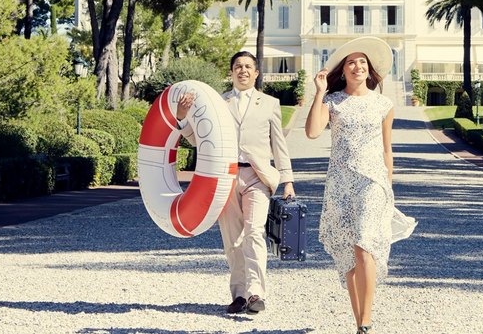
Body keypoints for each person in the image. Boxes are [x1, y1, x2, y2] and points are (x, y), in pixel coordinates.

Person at [305, 37, 416, 334]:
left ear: (369, 70)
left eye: (362, 62)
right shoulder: (333, 102)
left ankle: (366, 321)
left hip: (373, 184)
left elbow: (386, 150)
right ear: (344, 69)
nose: (357, 66)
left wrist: (389, 188)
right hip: (340, 184)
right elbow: (313, 132)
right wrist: (319, 93)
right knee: (349, 255)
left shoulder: (383, 104)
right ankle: (359, 324)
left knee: (364, 246)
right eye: (351, 62)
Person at [176, 51, 295, 315]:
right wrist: (183, 117)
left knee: (254, 233)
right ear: (231, 72)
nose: (242, 70)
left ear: (256, 73)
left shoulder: (270, 103)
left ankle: (256, 293)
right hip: (225, 177)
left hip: (257, 176)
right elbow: (197, 139)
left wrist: (287, 180)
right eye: (237, 66)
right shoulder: (218, 103)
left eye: (248, 66)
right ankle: (239, 294)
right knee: (232, 238)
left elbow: (279, 144)